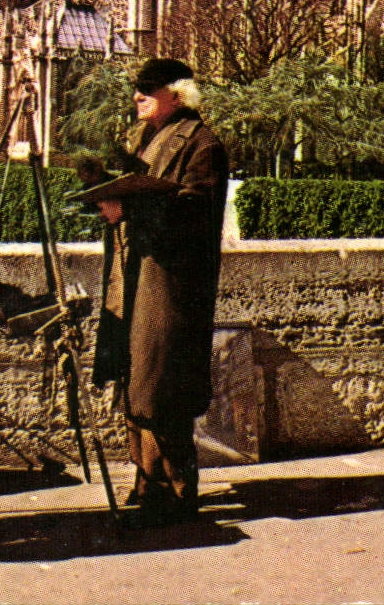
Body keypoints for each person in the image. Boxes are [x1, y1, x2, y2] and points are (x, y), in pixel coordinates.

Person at [89, 58, 229, 526]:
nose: (137, 96)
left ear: (178, 93)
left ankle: (177, 491)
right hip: (129, 275)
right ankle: (146, 483)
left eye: (148, 88)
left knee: (161, 383)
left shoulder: (203, 144)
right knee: (133, 381)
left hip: (170, 282)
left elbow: (195, 212)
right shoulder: (139, 138)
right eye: (137, 88)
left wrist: (130, 208)